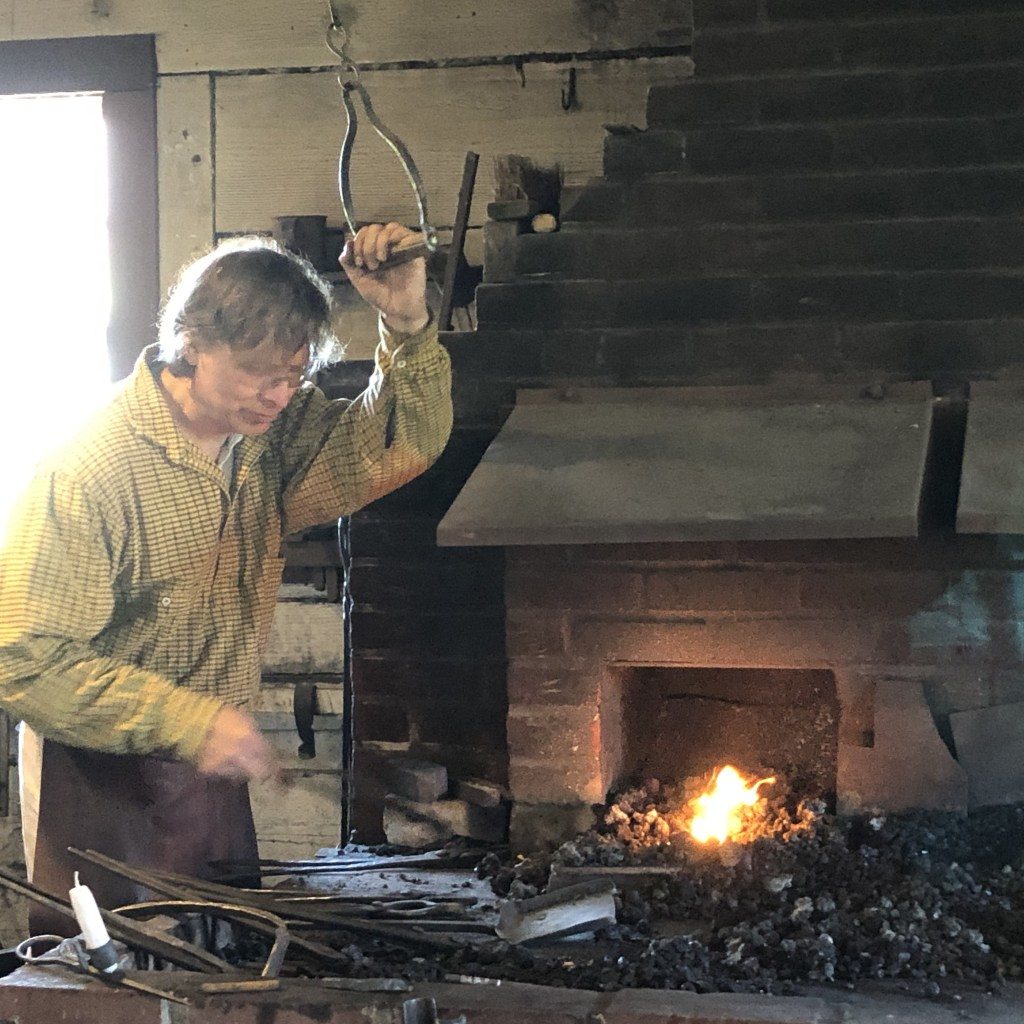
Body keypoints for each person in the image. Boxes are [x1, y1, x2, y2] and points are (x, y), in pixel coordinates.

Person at [0, 222, 452, 933]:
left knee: (224, 973)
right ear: (191, 341)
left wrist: (405, 322)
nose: (277, 394)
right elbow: (25, 661)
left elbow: (396, 444)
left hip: (204, 777)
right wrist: (187, 720)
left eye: (293, 375)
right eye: (255, 371)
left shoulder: (266, 437)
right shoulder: (86, 473)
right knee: (111, 993)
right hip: (99, 782)